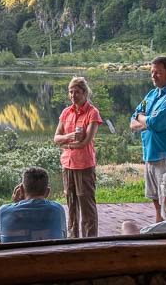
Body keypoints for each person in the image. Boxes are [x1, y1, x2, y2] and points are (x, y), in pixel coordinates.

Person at [129, 56, 166, 223]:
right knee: (156, 202)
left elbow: (157, 123)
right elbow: (133, 120)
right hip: (150, 154)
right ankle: (159, 237)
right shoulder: (152, 94)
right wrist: (144, 119)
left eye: (158, 73)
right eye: (152, 72)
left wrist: (144, 119)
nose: (153, 76)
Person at [53, 76, 102, 238]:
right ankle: (73, 240)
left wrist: (65, 143)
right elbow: (56, 138)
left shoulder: (92, 113)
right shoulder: (66, 112)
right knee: (71, 204)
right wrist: (71, 136)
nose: (73, 96)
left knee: (86, 205)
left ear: (85, 93)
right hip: (68, 165)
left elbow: (85, 142)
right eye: (70, 92)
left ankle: (90, 241)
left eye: (77, 92)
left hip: (84, 166)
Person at [0, 167, 66, 244]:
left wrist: (16, 204)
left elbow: (0, 240)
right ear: (47, 192)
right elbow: (63, 236)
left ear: (21, 189)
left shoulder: (3, 212)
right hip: (50, 255)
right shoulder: (58, 210)